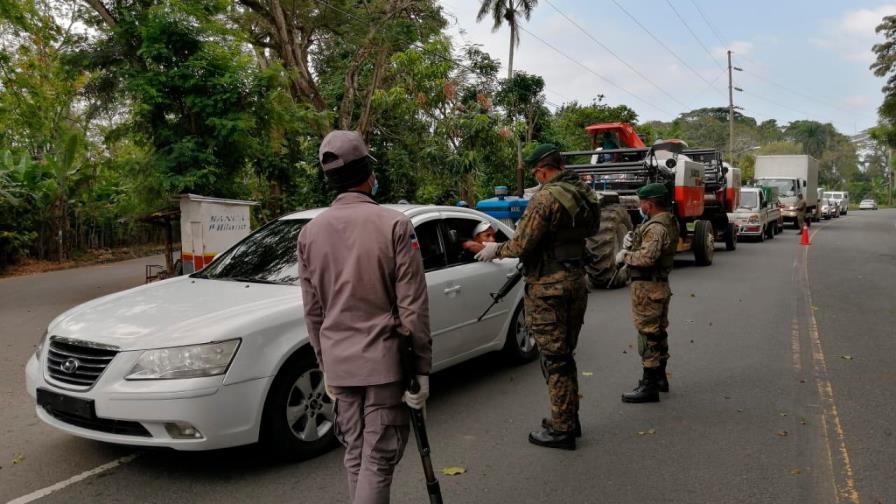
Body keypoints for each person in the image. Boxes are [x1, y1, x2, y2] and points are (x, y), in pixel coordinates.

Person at [297, 130, 431, 504]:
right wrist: (421, 369)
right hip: (384, 365)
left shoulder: (309, 233)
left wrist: (327, 367)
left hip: (340, 365)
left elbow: (313, 313)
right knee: (378, 459)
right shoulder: (394, 225)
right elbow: (413, 307)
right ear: (367, 174)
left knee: (356, 455)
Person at [469, 144, 600, 450]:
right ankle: (569, 417)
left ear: (542, 171)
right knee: (565, 355)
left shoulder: (545, 198)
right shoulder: (582, 192)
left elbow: (521, 245)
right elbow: (591, 229)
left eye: (536, 173)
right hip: (575, 282)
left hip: (548, 288)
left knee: (554, 360)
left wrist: (493, 250)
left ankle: (562, 429)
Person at [614, 182, 680, 403]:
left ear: (649, 204)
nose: (640, 206)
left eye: (642, 202)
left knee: (648, 335)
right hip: (657, 286)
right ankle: (660, 378)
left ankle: (649, 385)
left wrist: (625, 256)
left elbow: (647, 258)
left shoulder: (656, 228)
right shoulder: (664, 222)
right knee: (658, 333)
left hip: (648, 288)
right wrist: (632, 242)